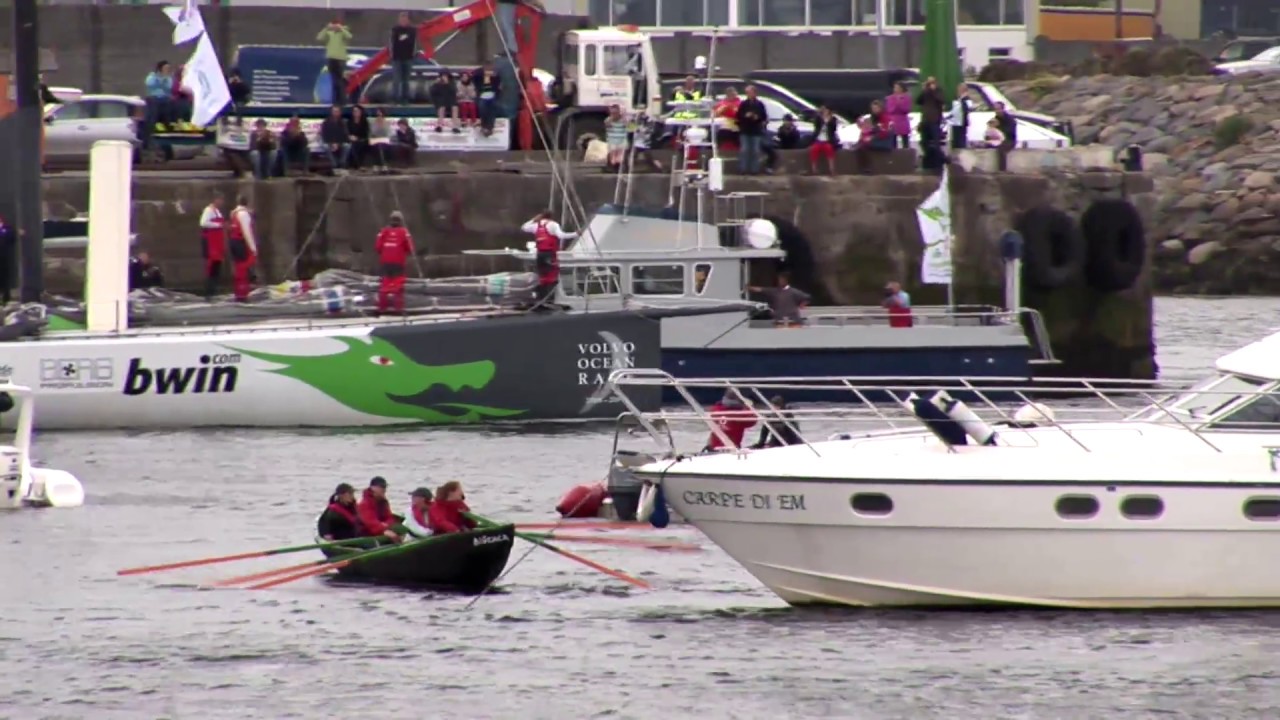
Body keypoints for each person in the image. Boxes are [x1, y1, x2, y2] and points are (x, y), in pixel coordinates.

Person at [521, 210, 578, 307]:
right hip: (549, 254)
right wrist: (575, 234)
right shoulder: (553, 225)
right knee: (552, 277)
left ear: (541, 216)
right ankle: (550, 300)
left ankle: (540, 299)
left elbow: (524, 227)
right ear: (551, 217)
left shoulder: (536, 225)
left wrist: (534, 219)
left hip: (540, 255)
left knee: (542, 277)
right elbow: (561, 235)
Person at [375, 211, 415, 314]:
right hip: (398, 262)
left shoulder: (383, 231)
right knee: (398, 285)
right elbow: (410, 248)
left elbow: (378, 247)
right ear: (401, 221)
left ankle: (382, 308)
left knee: (385, 284)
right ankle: (398, 309)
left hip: (385, 262)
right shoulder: (404, 232)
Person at [228, 196, 258, 302]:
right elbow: (247, 232)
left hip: (233, 242)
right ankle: (243, 293)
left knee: (238, 268)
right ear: (247, 203)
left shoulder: (234, 213)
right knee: (243, 267)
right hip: (240, 242)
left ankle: (239, 292)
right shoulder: (244, 214)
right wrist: (253, 248)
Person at [317, 16, 352, 105]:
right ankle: (335, 100)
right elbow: (319, 38)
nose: (335, 27)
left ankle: (342, 100)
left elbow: (349, 36)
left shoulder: (343, 33)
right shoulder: (329, 33)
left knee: (340, 80)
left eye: (337, 25)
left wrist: (341, 29)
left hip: (340, 59)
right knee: (334, 80)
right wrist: (326, 28)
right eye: (334, 25)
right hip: (331, 58)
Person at [734, 84, 767, 175]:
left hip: (756, 130)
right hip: (745, 130)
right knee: (744, 150)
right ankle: (743, 169)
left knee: (755, 151)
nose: (749, 94)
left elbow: (764, 117)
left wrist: (757, 117)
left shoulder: (760, 104)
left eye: (750, 92)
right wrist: (745, 116)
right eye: (747, 93)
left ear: (755, 93)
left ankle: (754, 170)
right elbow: (738, 116)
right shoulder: (743, 104)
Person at [357, 476, 403, 542]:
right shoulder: (364, 504)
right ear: (373, 488)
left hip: (383, 528)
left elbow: (389, 517)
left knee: (400, 528)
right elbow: (370, 522)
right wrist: (383, 530)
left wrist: (386, 525)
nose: (384, 489)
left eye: (385, 487)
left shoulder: (383, 502)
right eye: (382, 487)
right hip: (367, 534)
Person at [199, 192, 226, 299]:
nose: (222, 202)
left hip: (217, 244)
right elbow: (203, 223)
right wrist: (218, 225)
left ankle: (214, 291)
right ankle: (209, 293)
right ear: (215, 200)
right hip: (211, 244)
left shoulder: (218, 211)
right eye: (220, 199)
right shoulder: (208, 210)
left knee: (216, 269)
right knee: (211, 269)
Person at [390, 12, 416, 106]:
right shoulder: (395, 30)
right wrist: (392, 55)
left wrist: (403, 38)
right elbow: (393, 42)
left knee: (406, 80)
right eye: (401, 18)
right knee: (396, 80)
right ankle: (395, 99)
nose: (403, 20)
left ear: (408, 20)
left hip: (408, 57)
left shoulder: (412, 30)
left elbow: (412, 42)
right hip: (397, 58)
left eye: (405, 19)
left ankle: (405, 99)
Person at [809, 105, 839, 176]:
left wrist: (828, 121)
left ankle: (832, 170)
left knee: (829, 150)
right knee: (814, 150)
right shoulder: (819, 118)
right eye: (824, 110)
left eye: (826, 110)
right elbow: (816, 125)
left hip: (827, 140)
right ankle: (814, 170)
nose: (825, 111)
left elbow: (834, 128)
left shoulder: (833, 119)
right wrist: (820, 116)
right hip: (818, 139)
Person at [144, 60, 174, 129]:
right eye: (165, 68)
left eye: (168, 68)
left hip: (165, 98)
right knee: (153, 112)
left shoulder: (168, 78)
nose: (167, 70)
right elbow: (149, 84)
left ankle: (166, 126)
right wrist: (159, 80)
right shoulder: (152, 76)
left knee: (168, 110)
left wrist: (163, 81)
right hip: (154, 97)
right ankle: (151, 127)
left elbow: (169, 87)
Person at [474, 63, 501, 137]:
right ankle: (484, 127)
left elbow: (498, 82)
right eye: (487, 69)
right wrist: (484, 72)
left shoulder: (494, 76)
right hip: (482, 97)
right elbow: (475, 74)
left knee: (492, 113)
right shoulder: (479, 75)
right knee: (483, 112)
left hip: (492, 96)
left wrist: (493, 75)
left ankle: (490, 128)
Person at [320, 105, 349, 171]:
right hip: (329, 142)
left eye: (337, 111)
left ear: (340, 112)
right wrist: (332, 143)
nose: (335, 113)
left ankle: (342, 162)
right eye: (334, 111)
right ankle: (334, 164)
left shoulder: (343, 123)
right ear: (331, 112)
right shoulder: (326, 122)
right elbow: (324, 135)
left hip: (339, 143)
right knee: (325, 146)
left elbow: (345, 136)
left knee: (347, 146)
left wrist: (338, 144)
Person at [886, 82, 912, 148]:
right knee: (893, 140)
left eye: (898, 87)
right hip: (893, 121)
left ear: (902, 88)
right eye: (895, 87)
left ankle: (906, 152)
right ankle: (894, 153)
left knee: (905, 140)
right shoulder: (890, 98)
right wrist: (897, 105)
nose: (896, 89)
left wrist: (900, 105)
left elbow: (907, 109)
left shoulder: (907, 97)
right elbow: (889, 110)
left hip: (903, 121)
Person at [604, 104, 628, 170]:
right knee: (612, 153)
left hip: (622, 140)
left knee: (621, 155)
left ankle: (620, 166)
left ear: (619, 112)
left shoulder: (624, 120)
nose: (614, 114)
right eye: (612, 113)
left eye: (616, 112)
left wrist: (624, 118)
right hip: (612, 141)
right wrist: (611, 118)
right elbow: (607, 124)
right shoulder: (608, 120)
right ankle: (612, 166)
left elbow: (632, 128)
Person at [347, 104, 371, 170]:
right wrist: (350, 136)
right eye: (354, 111)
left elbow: (365, 133)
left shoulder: (364, 121)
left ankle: (358, 164)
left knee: (360, 144)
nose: (355, 113)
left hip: (362, 139)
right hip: (351, 139)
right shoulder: (350, 121)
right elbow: (347, 132)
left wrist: (357, 138)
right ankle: (357, 165)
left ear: (361, 112)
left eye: (357, 111)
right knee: (353, 145)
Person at [948, 82, 971, 150]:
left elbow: (967, 109)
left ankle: (961, 151)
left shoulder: (966, 99)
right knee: (956, 140)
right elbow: (955, 110)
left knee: (960, 140)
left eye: (959, 89)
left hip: (961, 122)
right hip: (956, 122)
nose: (958, 91)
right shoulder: (958, 99)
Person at [0, 215, 14, 305]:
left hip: (4, 258)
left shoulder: (6, 229)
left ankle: (6, 298)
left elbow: (11, 238)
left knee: (5, 279)